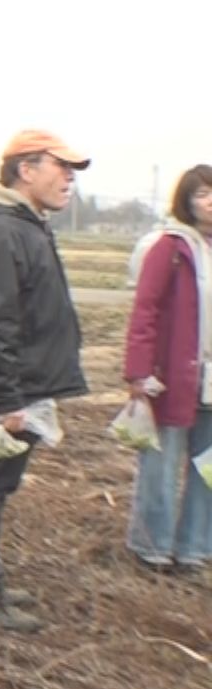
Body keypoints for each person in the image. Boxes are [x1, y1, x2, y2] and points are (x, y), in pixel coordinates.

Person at [0, 129, 91, 632]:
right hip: (12, 389)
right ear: (26, 170)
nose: (70, 179)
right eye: (62, 167)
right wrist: (8, 400)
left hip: (26, 383)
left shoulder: (23, 224)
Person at [121, 165, 212, 579]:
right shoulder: (171, 248)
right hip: (172, 375)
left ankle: (194, 549)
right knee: (162, 461)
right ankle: (151, 546)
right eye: (204, 194)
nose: (211, 202)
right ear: (187, 201)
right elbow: (145, 311)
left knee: (207, 466)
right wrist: (139, 372)